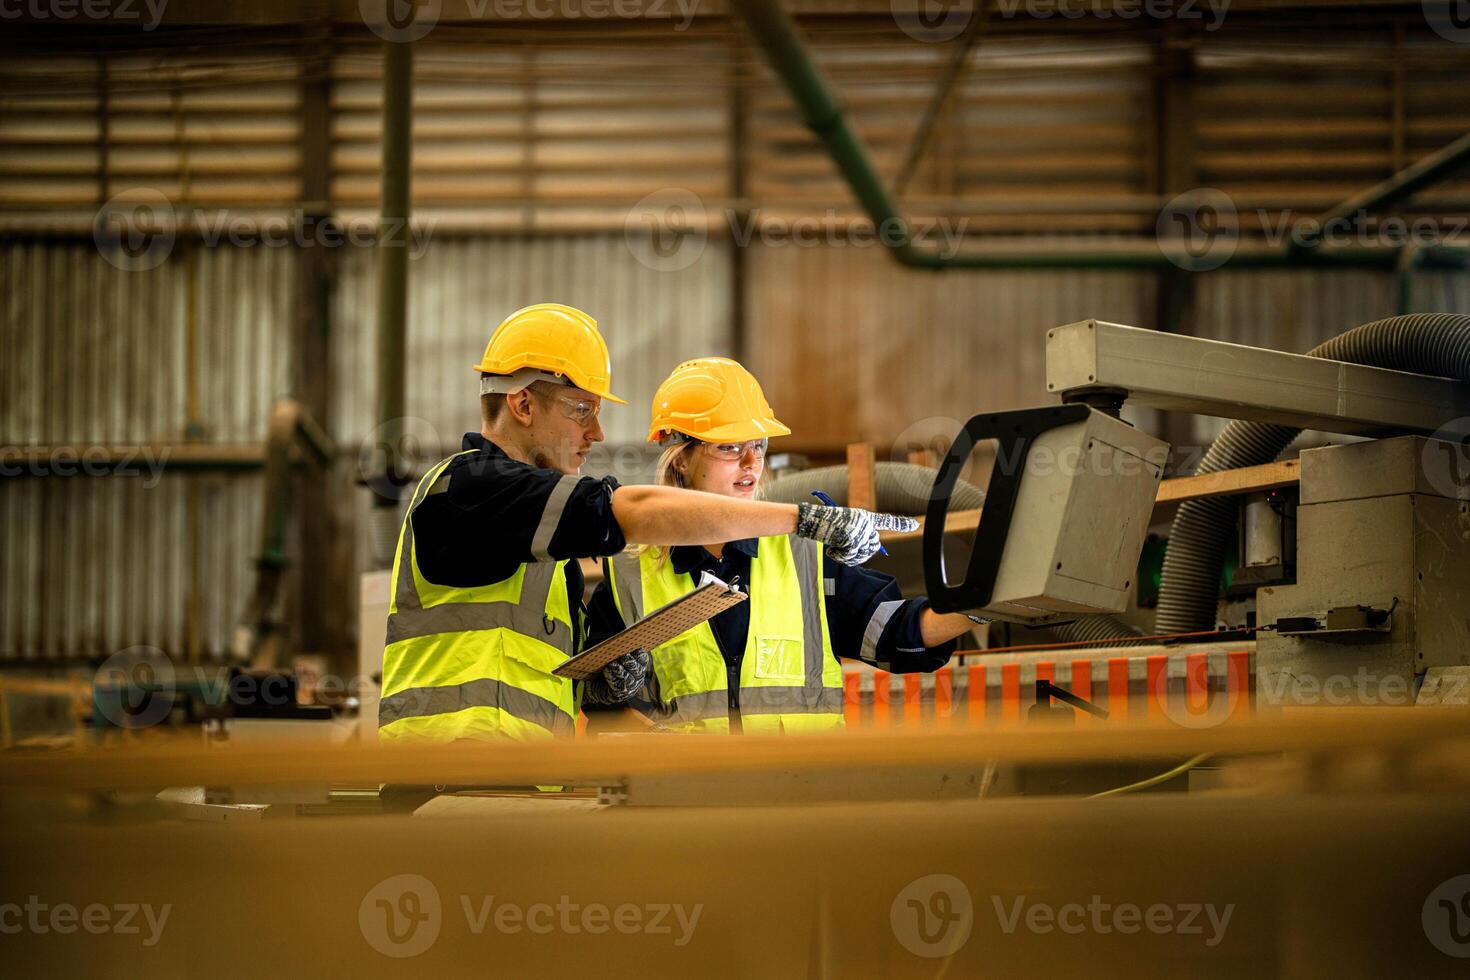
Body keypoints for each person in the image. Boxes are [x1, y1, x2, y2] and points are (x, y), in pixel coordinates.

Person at [377, 305, 918, 743]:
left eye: (758, 447)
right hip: (453, 784)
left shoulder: (539, 544)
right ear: (522, 404)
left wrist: (609, 683)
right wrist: (804, 518)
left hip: (512, 790)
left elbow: (555, 679)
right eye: (581, 409)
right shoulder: (471, 490)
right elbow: (627, 514)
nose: (598, 433)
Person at [586, 356, 978, 734]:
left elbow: (899, 631)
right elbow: (600, 705)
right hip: (691, 796)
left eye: (757, 445)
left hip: (801, 792)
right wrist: (639, 727)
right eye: (729, 447)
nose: (750, 462)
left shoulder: (803, 555)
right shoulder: (630, 574)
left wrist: (987, 605)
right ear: (681, 460)